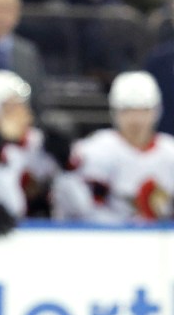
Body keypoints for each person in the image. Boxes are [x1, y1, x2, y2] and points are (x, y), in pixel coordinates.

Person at [54, 71, 174, 223]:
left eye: (144, 110)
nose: (136, 120)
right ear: (115, 112)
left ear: (157, 111)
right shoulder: (94, 149)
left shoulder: (170, 152)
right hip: (107, 239)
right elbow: (77, 208)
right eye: (127, 111)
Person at [0, 71, 63, 235]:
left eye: (23, 104)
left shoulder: (35, 141)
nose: (24, 113)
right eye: (13, 106)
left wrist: (65, 159)